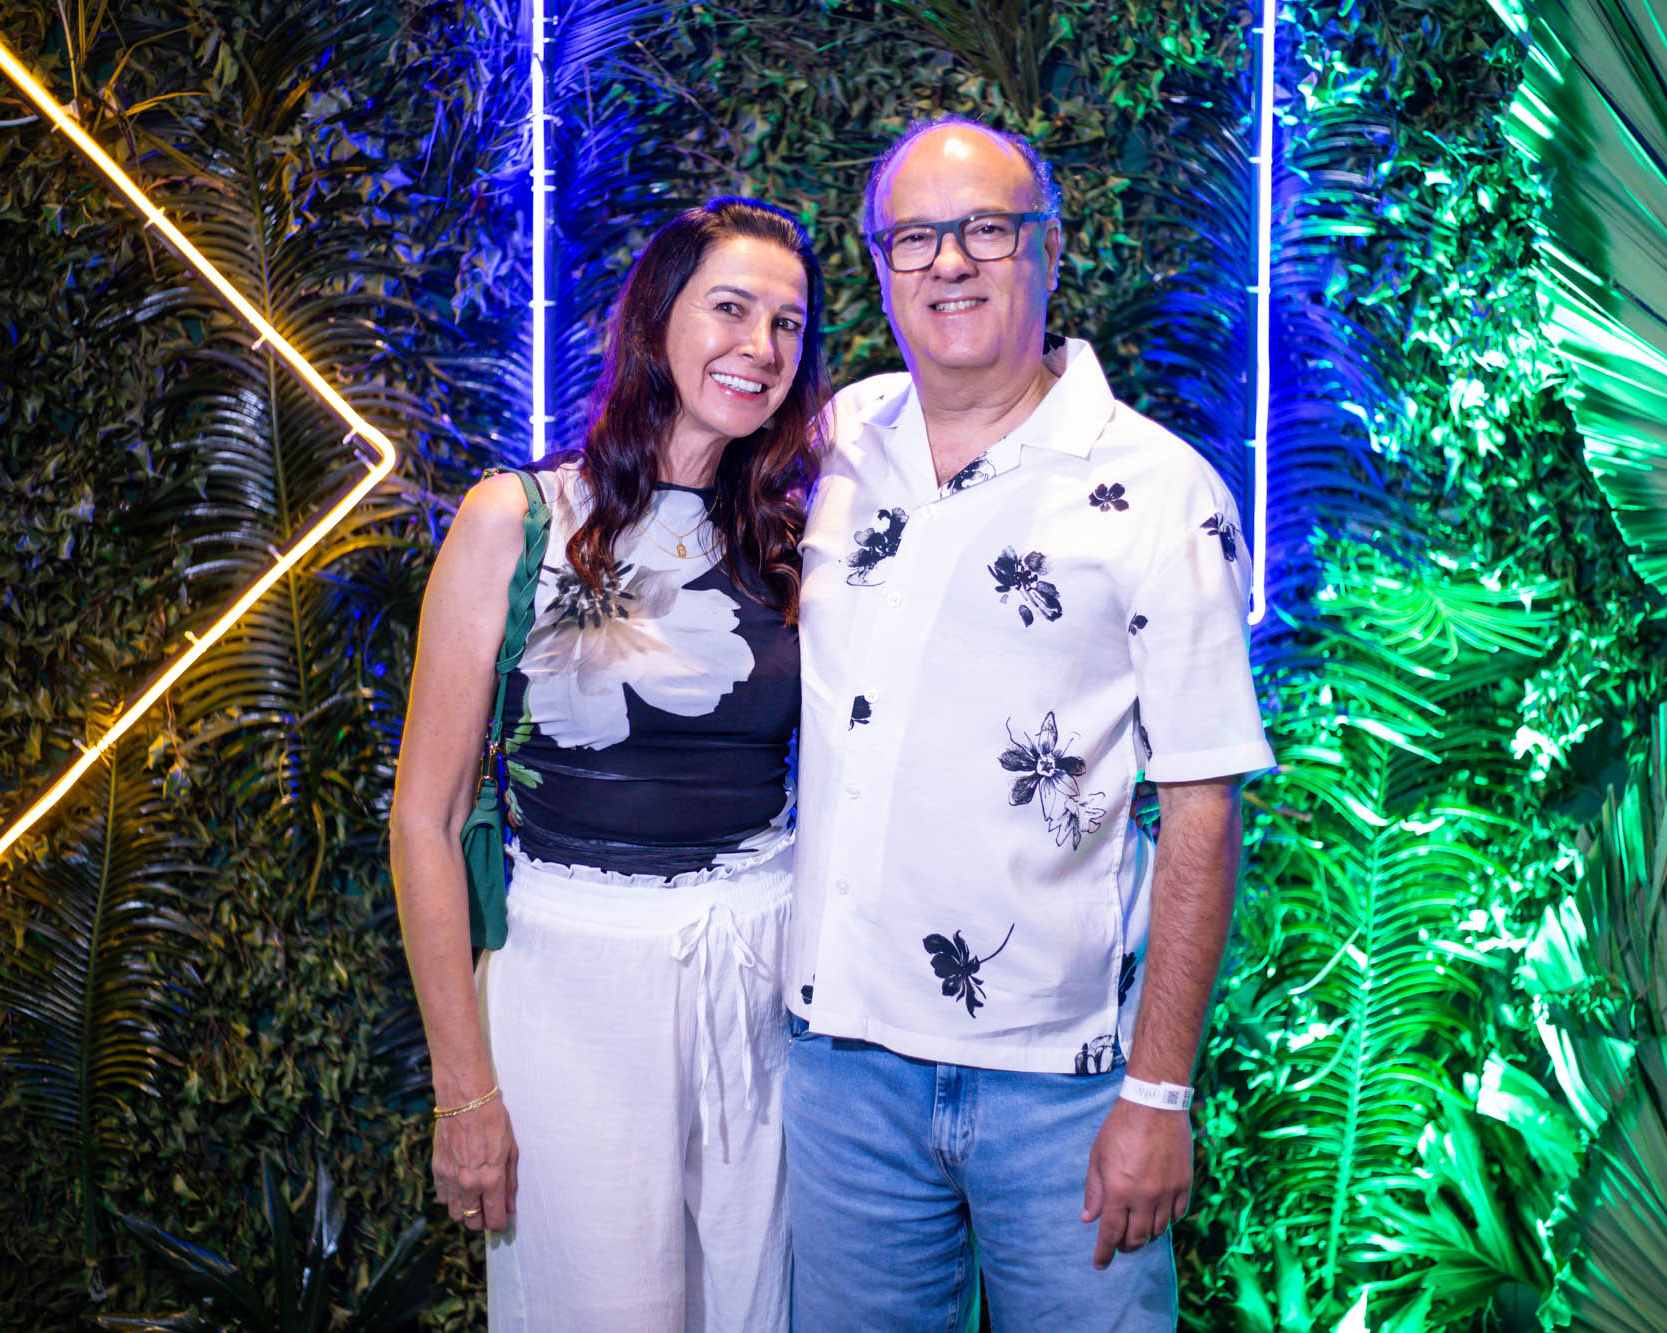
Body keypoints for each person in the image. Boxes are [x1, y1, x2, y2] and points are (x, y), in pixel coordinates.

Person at [785, 117, 1275, 1331]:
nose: (949, 260)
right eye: (914, 237)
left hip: (1063, 1087)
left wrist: (1157, 1092)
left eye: (986, 230)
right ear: (878, 267)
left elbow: (1202, 806)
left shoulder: (1158, 491)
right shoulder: (833, 444)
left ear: (1048, 251)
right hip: (840, 1072)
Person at [390, 197, 826, 1332]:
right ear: (654, 321)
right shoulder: (519, 518)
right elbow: (426, 819)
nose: (761, 346)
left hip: (760, 974)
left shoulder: (797, 538)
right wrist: (463, 1090)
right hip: (570, 979)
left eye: (787, 324)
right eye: (730, 308)